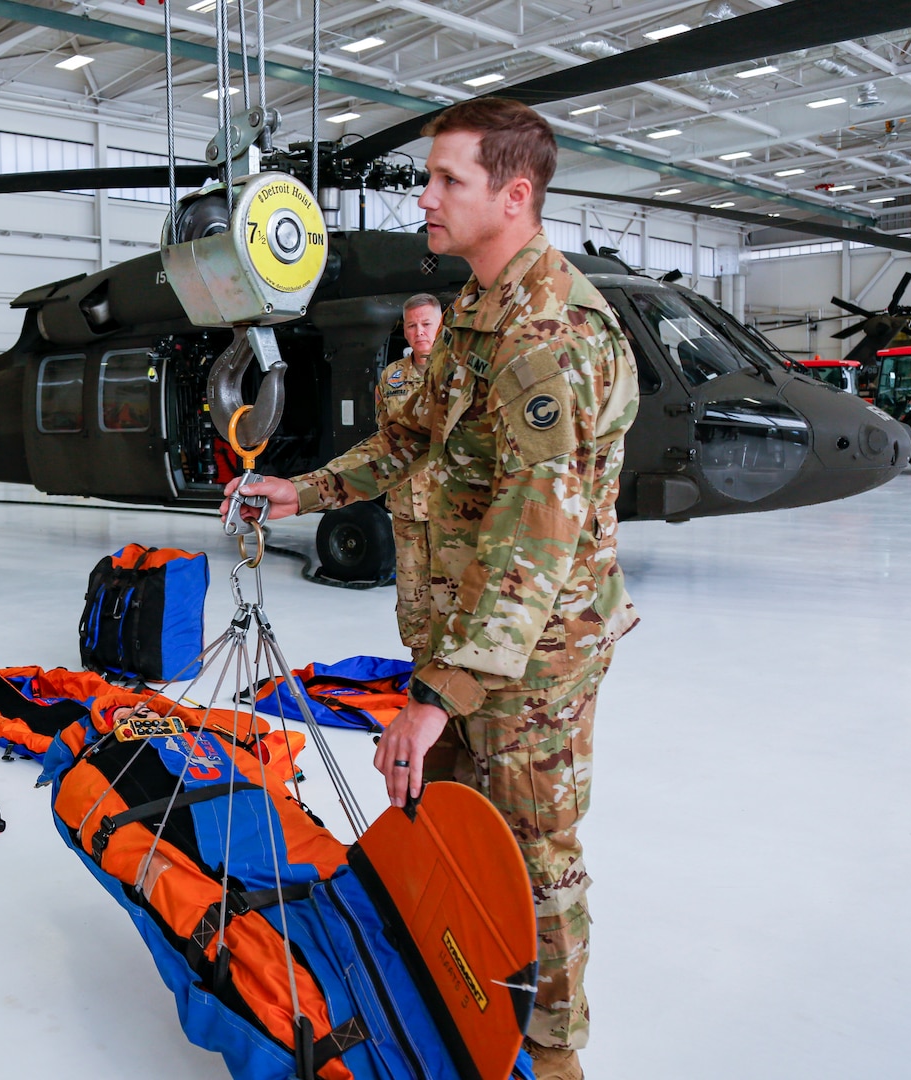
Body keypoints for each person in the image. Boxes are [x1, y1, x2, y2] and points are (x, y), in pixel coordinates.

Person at [223, 98, 640, 1080]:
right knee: (457, 833)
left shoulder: (547, 339)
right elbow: (409, 445)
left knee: (535, 859)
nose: (426, 200)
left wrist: (431, 701)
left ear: (515, 193)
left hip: (529, 661)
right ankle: (461, 1017)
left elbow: (534, 540)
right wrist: (302, 489)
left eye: (448, 179)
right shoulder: (474, 316)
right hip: (462, 638)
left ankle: (552, 1057)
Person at [377, 293, 443, 652]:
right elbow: (384, 437)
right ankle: (421, 670)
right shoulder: (392, 377)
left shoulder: (458, 370)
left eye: (427, 324)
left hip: (451, 508)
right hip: (406, 507)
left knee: (456, 594)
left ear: (441, 324)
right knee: (412, 597)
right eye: (412, 325)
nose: (420, 332)